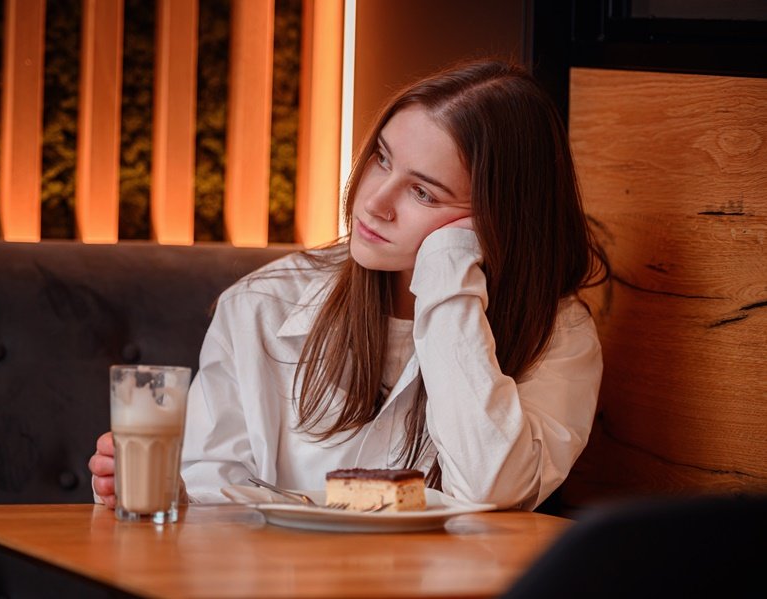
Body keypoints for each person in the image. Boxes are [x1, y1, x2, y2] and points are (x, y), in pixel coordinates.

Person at [89, 59, 608, 511]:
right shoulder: (262, 307)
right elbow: (211, 495)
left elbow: (495, 489)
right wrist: (168, 495)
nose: (375, 202)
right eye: (382, 158)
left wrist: (449, 273)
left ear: (496, 222)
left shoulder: (558, 336)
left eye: (423, 193)